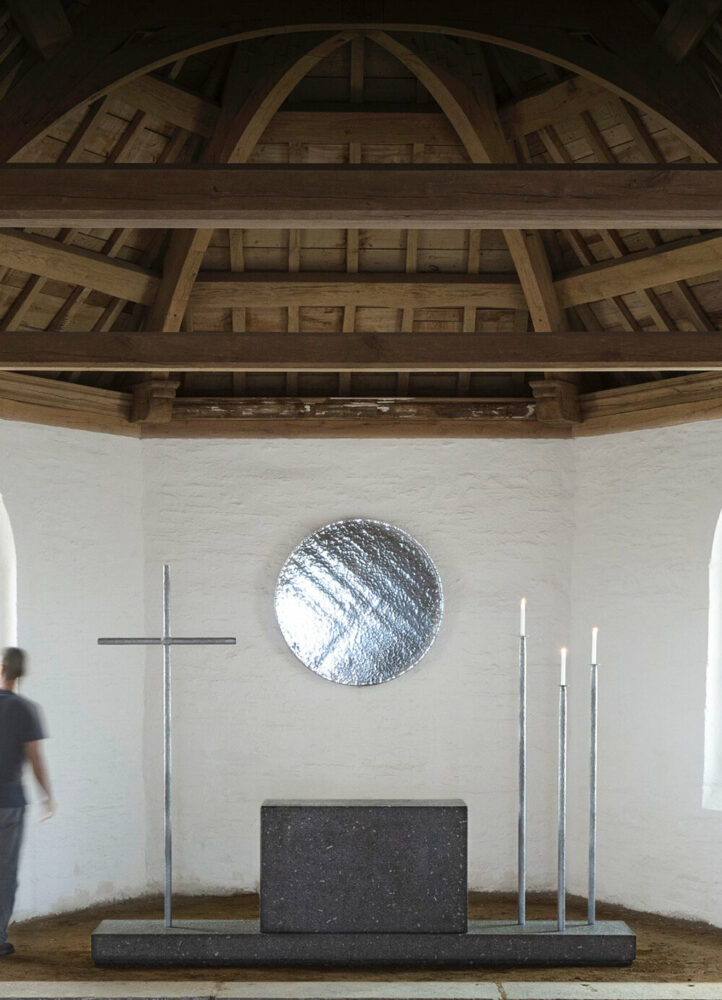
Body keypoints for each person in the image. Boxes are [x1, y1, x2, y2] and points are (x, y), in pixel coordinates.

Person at [0, 647, 54, 957]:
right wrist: (47, 796)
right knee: (5, 873)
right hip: (10, 801)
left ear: (1, 668)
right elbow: (35, 759)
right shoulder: (27, 709)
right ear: (22, 672)